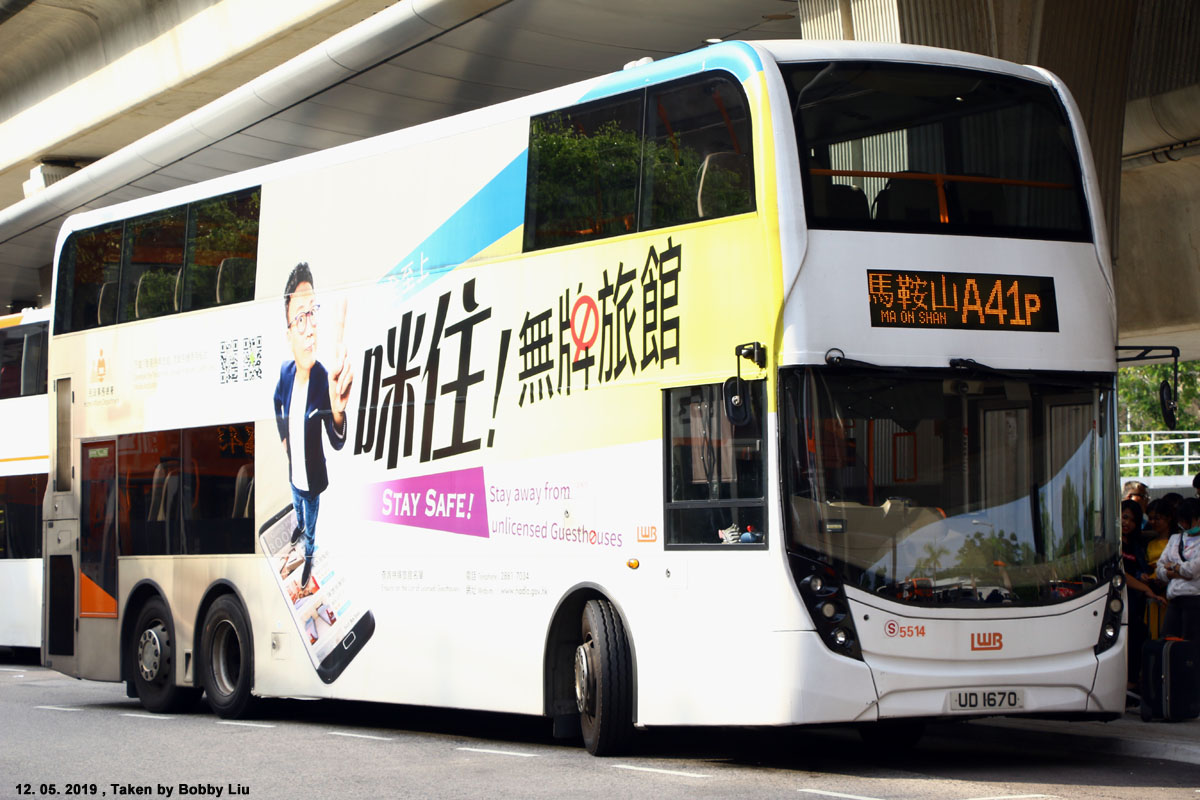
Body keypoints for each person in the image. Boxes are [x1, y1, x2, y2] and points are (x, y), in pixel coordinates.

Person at [273, 262, 354, 589]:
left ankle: (307, 563)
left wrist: (338, 412)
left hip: (314, 480)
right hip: (294, 476)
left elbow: (336, 440)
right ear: (289, 333)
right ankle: (300, 526)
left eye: (313, 313)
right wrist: (284, 440)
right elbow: (276, 402)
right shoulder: (285, 374)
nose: (310, 329)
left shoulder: (323, 378)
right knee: (298, 512)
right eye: (300, 318)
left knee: (311, 529)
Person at [1121, 499, 1161, 701]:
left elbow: (1137, 571)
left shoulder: (1136, 546)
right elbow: (1119, 574)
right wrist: (1145, 588)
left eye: (1132, 520)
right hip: (1116, 601)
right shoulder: (1110, 543)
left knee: (1137, 637)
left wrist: (1143, 578)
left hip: (1134, 602)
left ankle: (1132, 683)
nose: (1126, 523)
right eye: (1124, 517)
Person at [1155, 496, 1200, 643]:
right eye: (1182, 521)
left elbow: (1192, 570)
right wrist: (1176, 572)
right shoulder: (1175, 539)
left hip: (1195, 599)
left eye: (1188, 520)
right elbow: (1159, 569)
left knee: (1191, 644)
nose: (1184, 524)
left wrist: (1173, 566)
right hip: (1174, 599)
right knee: (1168, 641)